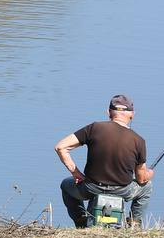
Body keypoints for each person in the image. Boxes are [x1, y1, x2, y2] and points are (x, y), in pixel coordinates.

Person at [54, 94, 154, 228]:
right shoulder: (139, 140)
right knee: (147, 188)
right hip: (123, 190)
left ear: (108, 112)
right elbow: (142, 179)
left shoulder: (94, 128)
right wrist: (149, 173)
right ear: (132, 114)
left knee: (66, 185)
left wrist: (76, 173)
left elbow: (61, 147)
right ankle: (134, 225)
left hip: (91, 188)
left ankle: (81, 221)